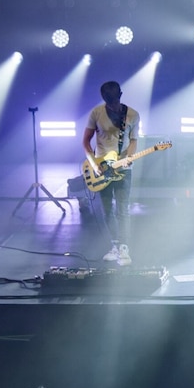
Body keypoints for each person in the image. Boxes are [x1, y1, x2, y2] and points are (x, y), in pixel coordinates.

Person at [82, 80, 140, 266]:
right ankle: (114, 245)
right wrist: (94, 164)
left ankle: (124, 248)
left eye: (114, 101)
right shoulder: (96, 113)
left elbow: (133, 140)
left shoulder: (132, 115)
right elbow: (86, 142)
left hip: (123, 169)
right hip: (101, 169)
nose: (112, 105)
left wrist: (129, 157)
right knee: (108, 211)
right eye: (108, 102)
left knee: (123, 210)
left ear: (121, 95)